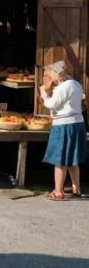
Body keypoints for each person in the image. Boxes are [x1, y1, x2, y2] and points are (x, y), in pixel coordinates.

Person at [40, 61, 86, 201]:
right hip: (77, 123)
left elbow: (52, 104)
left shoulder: (62, 88)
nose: (47, 77)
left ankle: (58, 192)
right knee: (73, 159)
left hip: (63, 125)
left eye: (48, 74)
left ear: (56, 74)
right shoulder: (76, 84)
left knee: (59, 161)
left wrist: (45, 94)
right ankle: (76, 189)